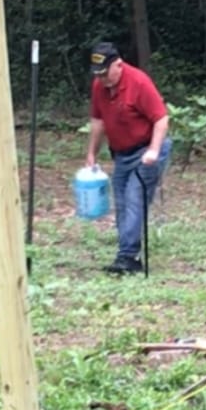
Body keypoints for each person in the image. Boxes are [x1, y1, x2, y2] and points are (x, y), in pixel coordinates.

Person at [83, 41, 169, 275]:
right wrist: (92, 152)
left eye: (105, 73)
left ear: (119, 65)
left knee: (134, 198)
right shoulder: (99, 86)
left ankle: (129, 257)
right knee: (121, 201)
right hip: (122, 153)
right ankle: (127, 254)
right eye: (98, 75)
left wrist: (153, 150)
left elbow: (161, 119)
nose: (102, 79)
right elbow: (98, 121)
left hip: (147, 151)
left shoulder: (138, 82)